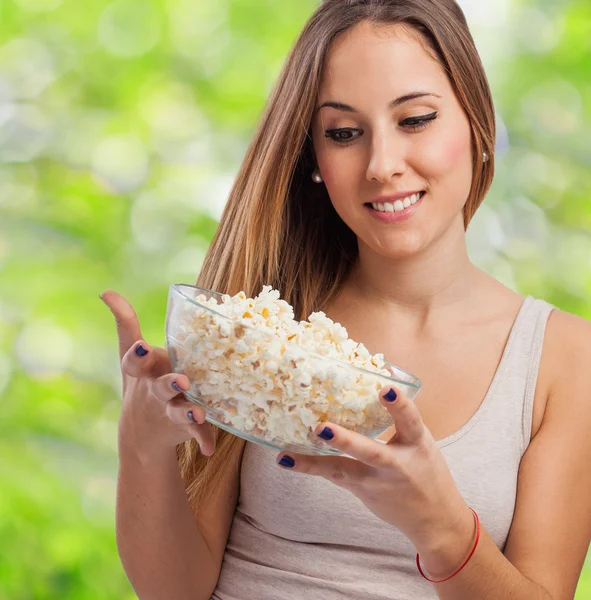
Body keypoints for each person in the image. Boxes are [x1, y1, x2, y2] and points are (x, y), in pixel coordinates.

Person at [100, 0, 591, 598]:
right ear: (315, 159)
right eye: (344, 133)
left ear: (477, 122)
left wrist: (443, 531)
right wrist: (142, 445)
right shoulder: (258, 331)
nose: (382, 166)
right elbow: (173, 591)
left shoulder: (567, 360)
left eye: (415, 119)